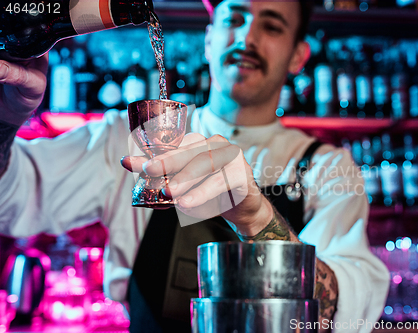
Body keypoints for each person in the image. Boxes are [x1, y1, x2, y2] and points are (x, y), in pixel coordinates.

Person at [0, 0, 389, 332]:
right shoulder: (135, 137)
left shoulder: (327, 168)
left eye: (271, 25)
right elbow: (11, 202)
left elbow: (348, 310)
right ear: (208, 39)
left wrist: (258, 218)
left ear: (298, 56)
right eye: (234, 19)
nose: (246, 38)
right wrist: (5, 121)